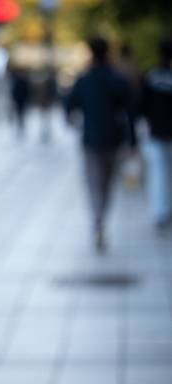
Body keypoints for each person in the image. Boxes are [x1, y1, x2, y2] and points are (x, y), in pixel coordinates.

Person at [65, 36, 136, 253]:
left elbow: (69, 103)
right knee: (107, 183)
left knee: (93, 182)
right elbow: (130, 112)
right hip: (113, 139)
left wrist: (72, 119)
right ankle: (101, 217)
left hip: (91, 139)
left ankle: (98, 219)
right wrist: (132, 140)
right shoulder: (117, 79)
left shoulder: (84, 79)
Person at [141, 38, 172, 231]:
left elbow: (142, 106)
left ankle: (160, 211)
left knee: (158, 174)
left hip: (156, 133)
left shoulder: (151, 77)